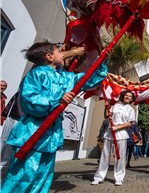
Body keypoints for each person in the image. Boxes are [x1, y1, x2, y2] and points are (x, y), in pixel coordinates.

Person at [1, 42, 108, 193]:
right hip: (32, 133)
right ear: (49, 57)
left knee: (42, 179)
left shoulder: (64, 77)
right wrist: (57, 101)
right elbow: (29, 100)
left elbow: (88, 80)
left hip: (51, 137)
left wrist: (102, 61)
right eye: (60, 52)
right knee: (23, 177)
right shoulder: (37, 74)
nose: (63, 55)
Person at [92, 90, 135, 186]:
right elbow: (107, 116)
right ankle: (99, 177)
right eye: (126, 95)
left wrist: (117, 127)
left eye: (130, 96)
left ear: (132, 99)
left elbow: (130, 123)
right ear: (123, 96)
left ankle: (119, 178)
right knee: (105, 155)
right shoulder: (115, 106)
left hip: (121, 134)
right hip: (109, 133)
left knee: (120, 157)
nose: (127, 97)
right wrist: (106, 107)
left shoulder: (130, 110)